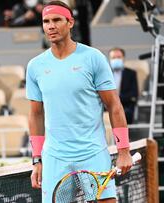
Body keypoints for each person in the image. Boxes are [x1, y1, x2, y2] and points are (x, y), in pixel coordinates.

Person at [26, 1, 132, 202]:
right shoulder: (35, 66)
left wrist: (124, 151)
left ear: (70, 22)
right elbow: (35, 114)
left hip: (93, 152)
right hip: (55, 157)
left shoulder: (93, 58)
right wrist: (36, 160)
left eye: (57, 20)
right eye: (46, 21)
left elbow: (114, 106)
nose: (51, 26)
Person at [108, 47, 138, 124]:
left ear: (123, 58)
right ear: (109, 59)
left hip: (125, 106)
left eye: (118, 57)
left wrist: (116, 99)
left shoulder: (131, 73)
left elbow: (134, 94)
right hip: (107, 106)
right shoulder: (105, 73)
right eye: (113, 58)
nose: (116, 59)